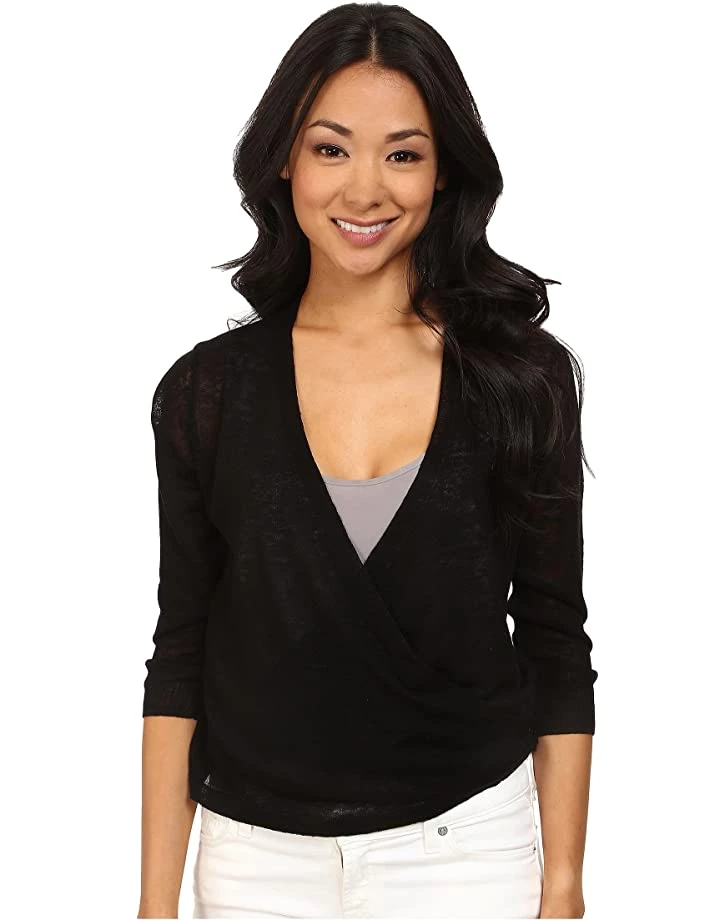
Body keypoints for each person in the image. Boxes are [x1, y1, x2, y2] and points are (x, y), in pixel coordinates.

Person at [137, 4, 598, 918]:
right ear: (285, 158)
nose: (364, 190)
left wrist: (564, 886)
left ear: (444, 169)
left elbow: (555, 640)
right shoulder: (206, 392)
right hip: (255, 863)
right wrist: (154, 907)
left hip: (466, 852)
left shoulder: (519, 378)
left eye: (403, 154)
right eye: (331, 148)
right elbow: (179, 650)